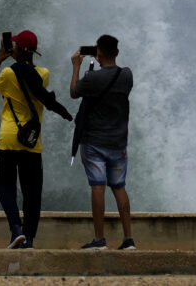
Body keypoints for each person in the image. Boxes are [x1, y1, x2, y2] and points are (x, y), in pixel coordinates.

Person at [0, 29, 72, 248]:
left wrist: (0, 58)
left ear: (17, 49)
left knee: (4, 185)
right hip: (32, 141)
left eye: (13, 46)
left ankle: (15, 230)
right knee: (32, 193)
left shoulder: (7, 74)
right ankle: (29, 239)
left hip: (8, 139)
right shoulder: (43, 74)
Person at [70, 35, 136, 249]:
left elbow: (74, 92)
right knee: (119, 187)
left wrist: (76, 67)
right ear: (117, 53)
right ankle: (128, 240)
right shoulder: (127, 75)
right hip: (118, 142)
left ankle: (100, 240)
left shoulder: (92, 79)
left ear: (97, 54)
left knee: (98, 186)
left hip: (94, 142)